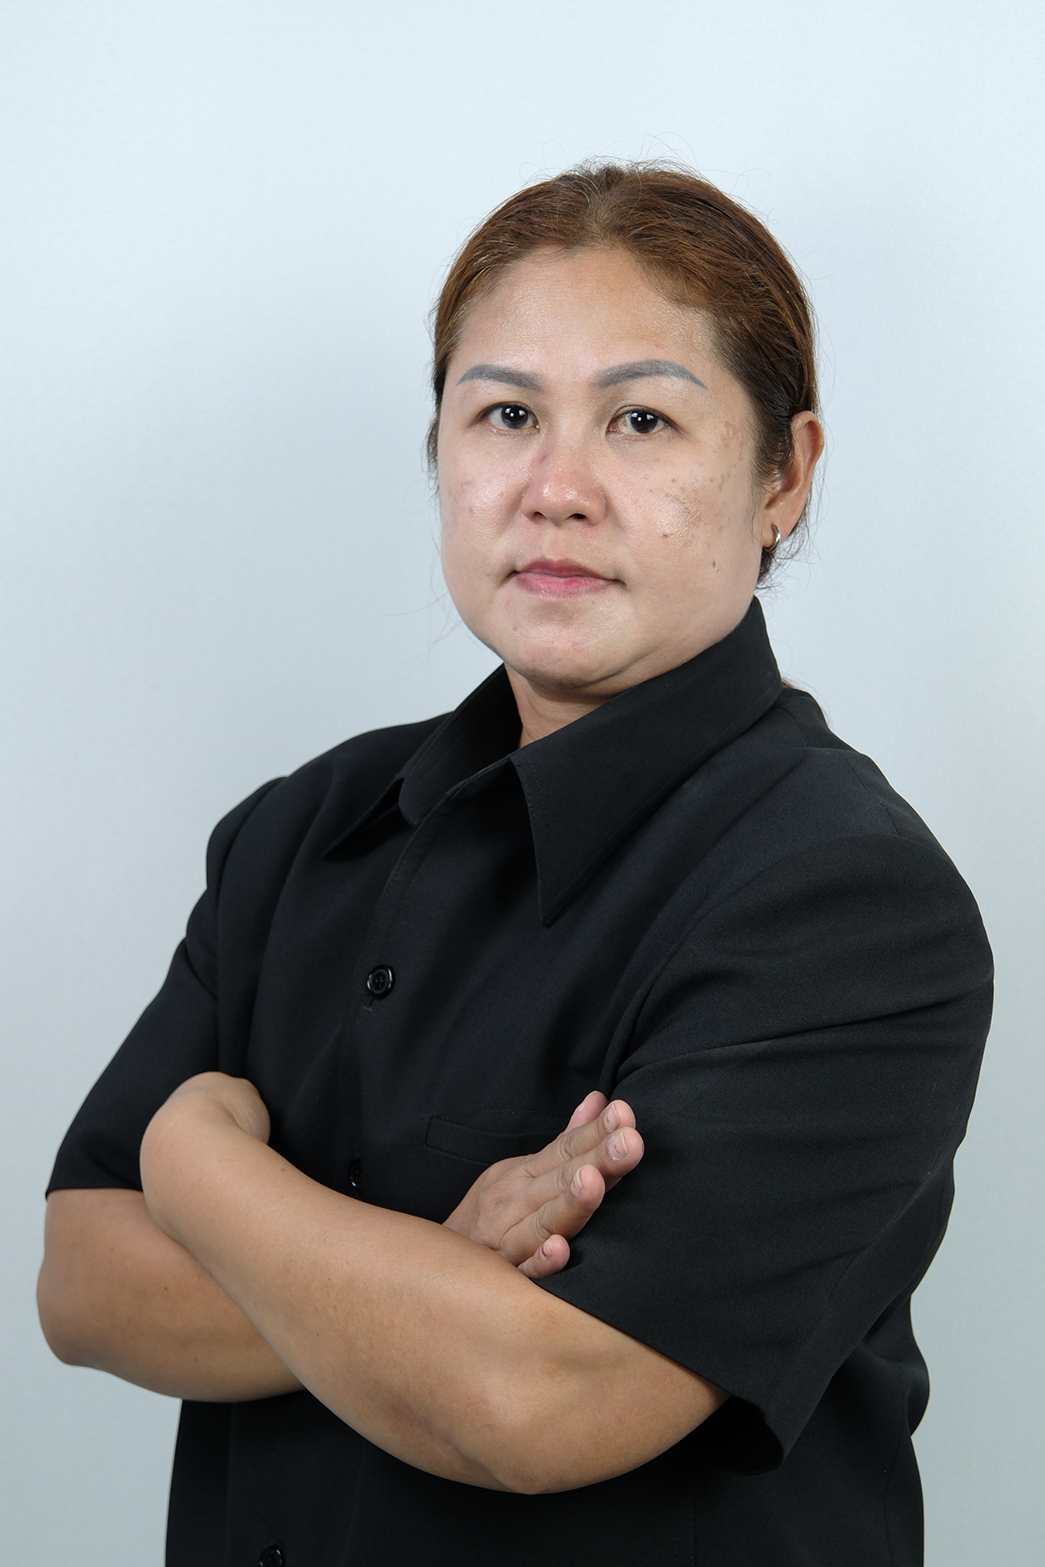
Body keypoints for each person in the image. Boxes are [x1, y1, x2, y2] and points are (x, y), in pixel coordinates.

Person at [38, 162, 992, 1567]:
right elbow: (81, 1282)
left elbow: (534, 1398)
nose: (557, 490)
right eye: (506, 415)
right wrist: (440, 1268)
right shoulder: (305, 827)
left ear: (783, 476)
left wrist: (192, 1158)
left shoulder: (849, 900)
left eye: (642, 420)